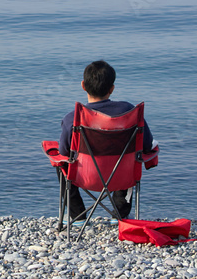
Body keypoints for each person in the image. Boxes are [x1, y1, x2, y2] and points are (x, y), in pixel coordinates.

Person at [57, 60, 157, 221]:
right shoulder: (129, 112)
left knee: (60, 163)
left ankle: (78, 216)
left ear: (83, 85)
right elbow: (146, 146)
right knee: (131, 159)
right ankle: (120, 214)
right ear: (112, 88)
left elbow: (63, 152)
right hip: (122, 177)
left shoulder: (72, 119)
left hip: (85, 177)